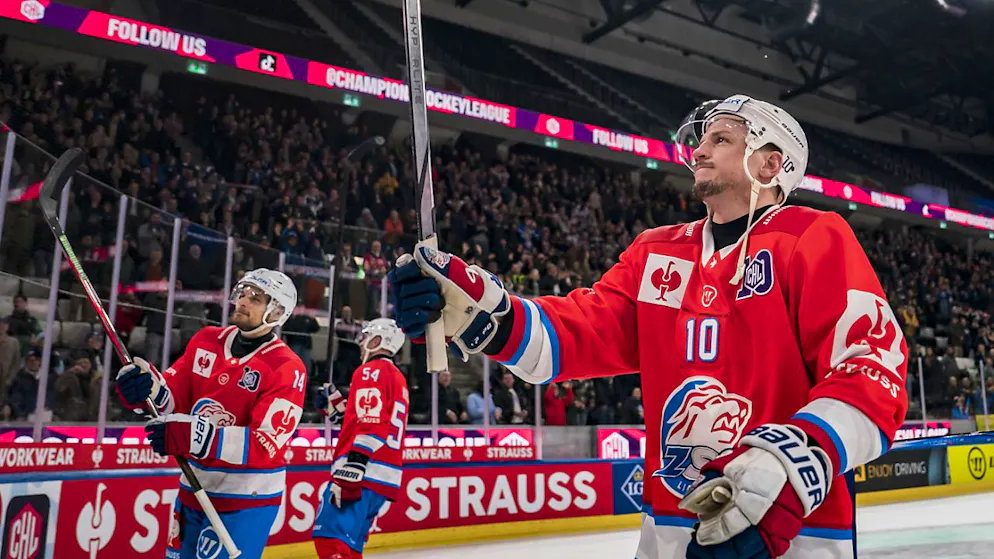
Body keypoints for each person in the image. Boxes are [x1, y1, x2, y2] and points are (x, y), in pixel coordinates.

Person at [388, 94, 909, 558]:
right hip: (668, 531)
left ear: (771, 164)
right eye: (701, 139)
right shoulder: (657, 250)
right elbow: (572, 335)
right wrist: (479, 308)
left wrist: (790, 470)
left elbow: (873, 369)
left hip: (795, 533)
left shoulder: (813, 236)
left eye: (721, 138)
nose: (700, 150)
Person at [114, 268, 306, 559]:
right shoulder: (207, 339)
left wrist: (197, 437)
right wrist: (145, 389)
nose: (242, 300)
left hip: (246, 499)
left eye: (255, 297)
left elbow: (265, 444)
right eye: (242, 292)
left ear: (277, 311)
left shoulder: (287, 367)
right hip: (193, 486)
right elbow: (171, 399)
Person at [312, 318, 410, 559]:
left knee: (330, 540)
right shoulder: (396, 376)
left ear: (378, 340)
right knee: (351, 546)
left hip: (363, 471)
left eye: (366, 337)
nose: (361, 343)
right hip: (383, 477)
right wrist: (336, 408)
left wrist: (354, 465)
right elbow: (368, 417)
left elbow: (372, 423)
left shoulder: (370, 370)